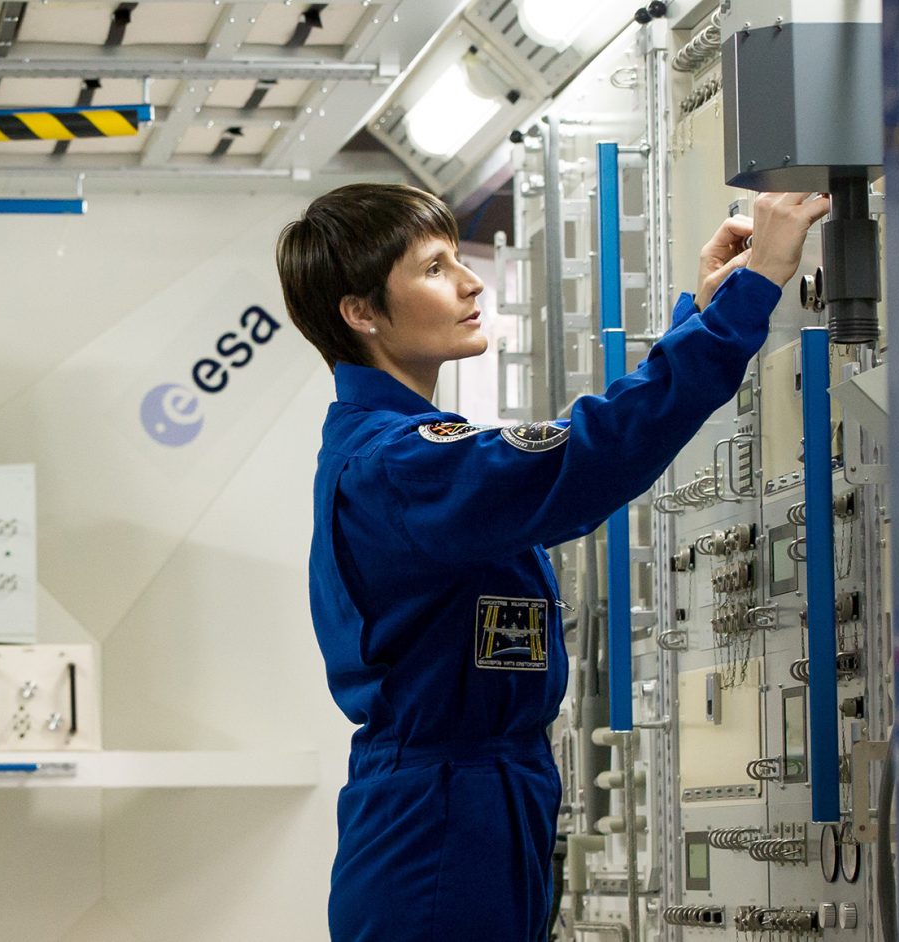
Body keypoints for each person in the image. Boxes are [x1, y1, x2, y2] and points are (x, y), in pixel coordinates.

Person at [273, 184, 830, 942]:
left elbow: (578, 465)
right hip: (439, 821)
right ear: (361, 312)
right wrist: (750, 294)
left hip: (482, 804)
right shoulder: (399, 464)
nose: (469, 282)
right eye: (435, 269)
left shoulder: (407, 454)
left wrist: (699, 322)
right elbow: (588, 455)